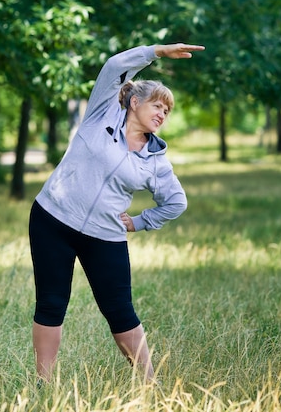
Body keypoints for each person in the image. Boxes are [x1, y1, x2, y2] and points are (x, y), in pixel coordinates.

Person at [29, 43, 205, 384]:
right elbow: (113, 67)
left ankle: (149, 385)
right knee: (51, 303)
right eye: (158, 105)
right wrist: (155, 52)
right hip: (52, 219)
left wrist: (139, 222)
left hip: (104, 235)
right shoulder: (101, 114)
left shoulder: (155, 160)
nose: (162, 115)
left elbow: (176, 202)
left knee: (120, 312)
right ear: (135, 103)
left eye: (167, 112)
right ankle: (43, 384)